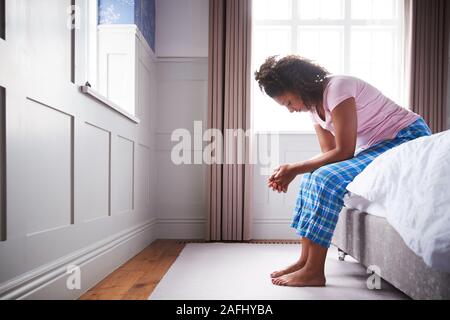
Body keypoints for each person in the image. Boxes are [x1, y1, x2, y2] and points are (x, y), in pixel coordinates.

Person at [254, 55, 432, 287]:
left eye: (288, 103)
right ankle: (304, 261)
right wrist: (295, 171)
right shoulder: (313, 110)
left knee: (325, 180)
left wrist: (294, 168)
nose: (290, 110)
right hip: (378, 146)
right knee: (312, 177)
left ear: (298, 87)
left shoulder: (338, 87)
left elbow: (344, 151)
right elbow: (329, 155)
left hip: (406, 136)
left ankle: (314, 272)